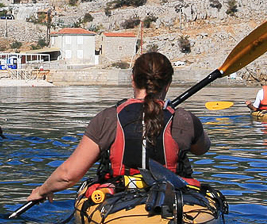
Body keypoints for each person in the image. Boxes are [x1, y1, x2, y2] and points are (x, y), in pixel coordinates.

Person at [25, 51, 210, 204]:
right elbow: (203, 148)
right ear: (168, 85)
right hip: (173, 201)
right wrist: (182, 121)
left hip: (118, 200)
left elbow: (67, 176)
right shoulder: (185, 119)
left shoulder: (108, 119)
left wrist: (42, 190)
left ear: (133, 80)